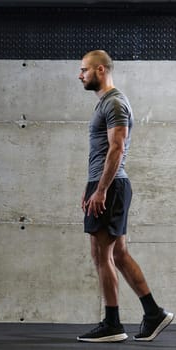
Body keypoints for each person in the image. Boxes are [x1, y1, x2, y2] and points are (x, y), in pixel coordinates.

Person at [76, 50, 173, 343]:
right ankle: (153, 313)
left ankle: (113, 324)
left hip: (112, 186)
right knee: (118, 253)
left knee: (100, 254)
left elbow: (116, 148)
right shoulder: (106, 103)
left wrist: (101, 189)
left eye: (84, 70)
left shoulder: (115, 103)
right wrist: (92, 187)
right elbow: (104, 152)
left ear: (101, 70)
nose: (80, 75)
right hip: (106, 184)